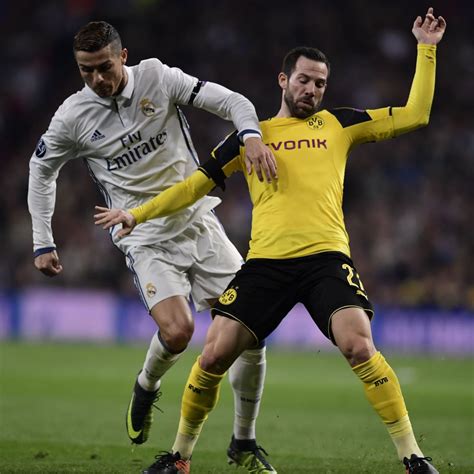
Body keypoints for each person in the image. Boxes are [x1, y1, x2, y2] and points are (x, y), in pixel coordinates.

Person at [95, 8, 446, 474]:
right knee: (213, 356)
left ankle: (413, 457)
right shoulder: (250, 138)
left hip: (326, 261)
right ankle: (179, 458)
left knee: (360, 346)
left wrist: (426, 49)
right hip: (265, 266)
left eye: (320, 83)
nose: (312, 90)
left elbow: (416, 114)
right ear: (283, 80)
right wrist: (136, 213)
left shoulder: (340, 124)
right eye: (304, 80)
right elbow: (191, 188)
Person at [27, 20, 279, 473]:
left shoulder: (157, 78)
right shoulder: (72, 117)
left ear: (123, 56)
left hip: (198, 222)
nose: (96, 79)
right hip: (143, 236)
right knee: (179, 332)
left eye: (104, 67)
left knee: (252, 330)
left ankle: (243, 441)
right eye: (86, 71)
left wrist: (251, 135)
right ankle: (146, 385)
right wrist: (42, 240)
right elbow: (41, 170)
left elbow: (234, 102)